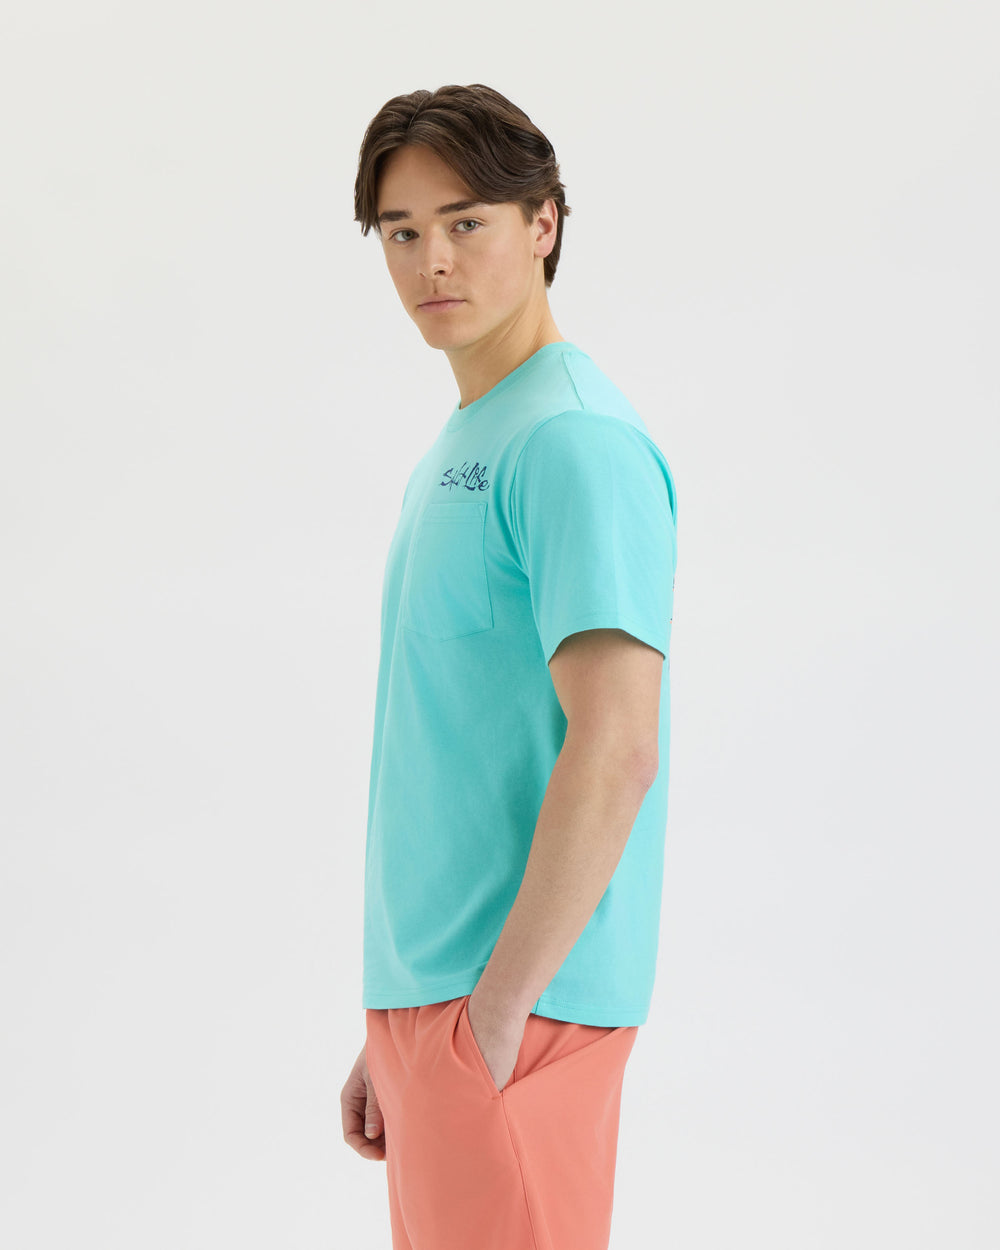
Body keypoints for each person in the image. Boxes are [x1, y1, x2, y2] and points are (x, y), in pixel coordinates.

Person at [340, 83, 678, 1250]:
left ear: (543, 223)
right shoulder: (468, 438)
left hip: (516, 1012)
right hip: (441, 1004)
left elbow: (618, 744)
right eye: (401, 230)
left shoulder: (572, 440)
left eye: (466, 221)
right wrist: (400, 1022)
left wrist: (492, 1012)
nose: (431, 259)